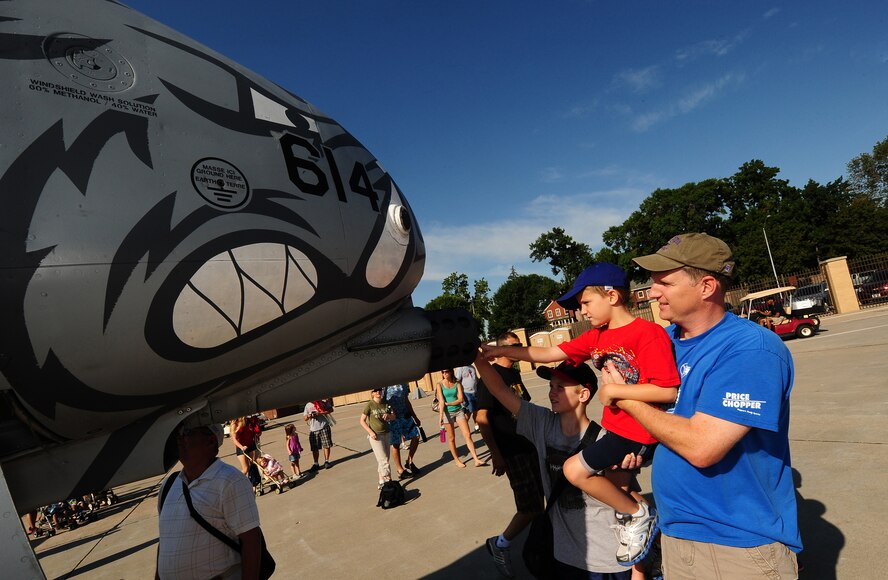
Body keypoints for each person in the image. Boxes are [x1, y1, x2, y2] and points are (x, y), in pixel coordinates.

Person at [616, 232, 801, 578]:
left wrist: (627, 399)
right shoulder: (663, 342)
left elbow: (703, 446)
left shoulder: (750, 349)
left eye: (665, 283)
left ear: (706, 286)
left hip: (737, 544)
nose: (653, 292)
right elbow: (667, 419)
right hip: (676, 536)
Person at [481, 263, 680, 566]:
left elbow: (667, 391)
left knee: (576, 471)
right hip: (617, 429)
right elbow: (548, 354)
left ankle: (640, 516)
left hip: (638, 429)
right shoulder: (596, 337)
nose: (581, 311)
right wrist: (499, 352)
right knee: (618, 486)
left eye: (586, 302)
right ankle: (642, 539)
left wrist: (615, 393)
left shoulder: (648, 333)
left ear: (612, 296)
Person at [475, 352, 636, 579]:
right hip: (562, 557)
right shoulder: (542, 424)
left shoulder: (604, 441)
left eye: (561, 387)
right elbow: (500, 390)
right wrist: (477, 358)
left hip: (607, 560)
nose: (552, 392)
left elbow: (628, 506)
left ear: (584, 394)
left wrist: (638, 571)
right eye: (551, 385)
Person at [475, 332, 544, 578]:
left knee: (540, 501)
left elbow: (524, 405)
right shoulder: (490, 378)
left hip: (530, 445)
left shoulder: (514, 375)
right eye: (515, 346)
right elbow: (482, 418)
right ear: (503, 349)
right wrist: (496, 454)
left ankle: (541, 548)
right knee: (530, 506)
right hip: (512, 450)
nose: (520, 349)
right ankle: (500, 544)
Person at [156, 423, 261, 580]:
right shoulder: (169, 484)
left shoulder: (230, 481)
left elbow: (252, 541)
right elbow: (164, 542)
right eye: (178, 432)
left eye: (187, 431)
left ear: (211, 441)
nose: (179, 437)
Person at [436, 368, 487, 468]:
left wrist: (449, 403)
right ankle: (456, 460)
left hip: (459, 411)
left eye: (446, 371)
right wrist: (440, 416)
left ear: (451, 372)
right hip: (447, 413)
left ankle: (476, 459)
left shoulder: (457, 383)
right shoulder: (439, 384)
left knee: (467, 434)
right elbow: (441, 401)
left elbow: (460, 399)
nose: (444, 374)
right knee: (451, 438)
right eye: (442, 372)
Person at [382, 383, 422, 478]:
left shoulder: (403, 384)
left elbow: (406, 401)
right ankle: (400, 469)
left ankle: (409, 461)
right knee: (396, 443)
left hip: (405, 416)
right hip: (393, 419)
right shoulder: (385, 386)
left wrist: (415, 416)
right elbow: (381, 403)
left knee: (416, 436)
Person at [360, 387, 395, 489]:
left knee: (384, 459)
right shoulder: (370, 405)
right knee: (384, 460)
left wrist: (388, 416)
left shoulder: (386, 403)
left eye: (380, 390)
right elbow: (362, 420)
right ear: (372, 393)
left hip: (386, 433)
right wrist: (370, 432)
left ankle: (381, 480)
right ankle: (389, 481)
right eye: (376, 391)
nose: (378, 392)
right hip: (376, 436)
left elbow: (394, 416)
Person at [304, 400, 334, 471]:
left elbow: (331, 409)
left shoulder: (323, 401)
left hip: (324, 426)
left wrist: (320, 413)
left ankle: (326, 461)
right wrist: (309, 415)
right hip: (314, 429)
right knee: (314, 448)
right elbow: (305, 418)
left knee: (326, 445)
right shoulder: (308, 404)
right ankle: (316, 463)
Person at [231, 417, 260, 486]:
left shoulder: (248, 421)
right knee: (245, 469)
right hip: (241, 448)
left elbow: (253, 431)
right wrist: (241, 447)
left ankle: (253, 482)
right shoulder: (234, 424)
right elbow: (234, 439)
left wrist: (257, 433)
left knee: (254, 465)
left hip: (251, 445)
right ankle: (236, 483)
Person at [453, 365, 480, 431]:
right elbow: (457, 381)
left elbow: (476, 379)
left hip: (475, 392)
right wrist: (460, 394)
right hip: (466, 393)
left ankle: (477, 426)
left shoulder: (472, 367)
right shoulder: (460, 368)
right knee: (468, 412)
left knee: (476, 411)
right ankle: (464, 428)